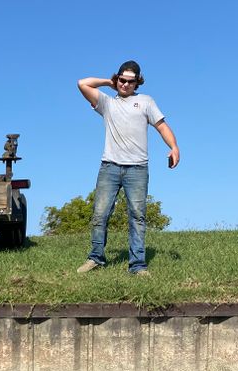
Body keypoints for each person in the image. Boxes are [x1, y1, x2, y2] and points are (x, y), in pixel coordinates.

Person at [76, 60, 179, 275]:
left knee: (138, 216)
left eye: (130, 82)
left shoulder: (145, 102)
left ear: (137, 83)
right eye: (122, 80)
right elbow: (82, 83)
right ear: (118, 79)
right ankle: (96, 258)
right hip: (109, 167)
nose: (125, 85)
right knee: (100, 214)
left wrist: (174, 147)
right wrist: (108, 82)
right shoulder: (107, 103)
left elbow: (161, 126)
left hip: (137, 169)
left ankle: (137, 265)